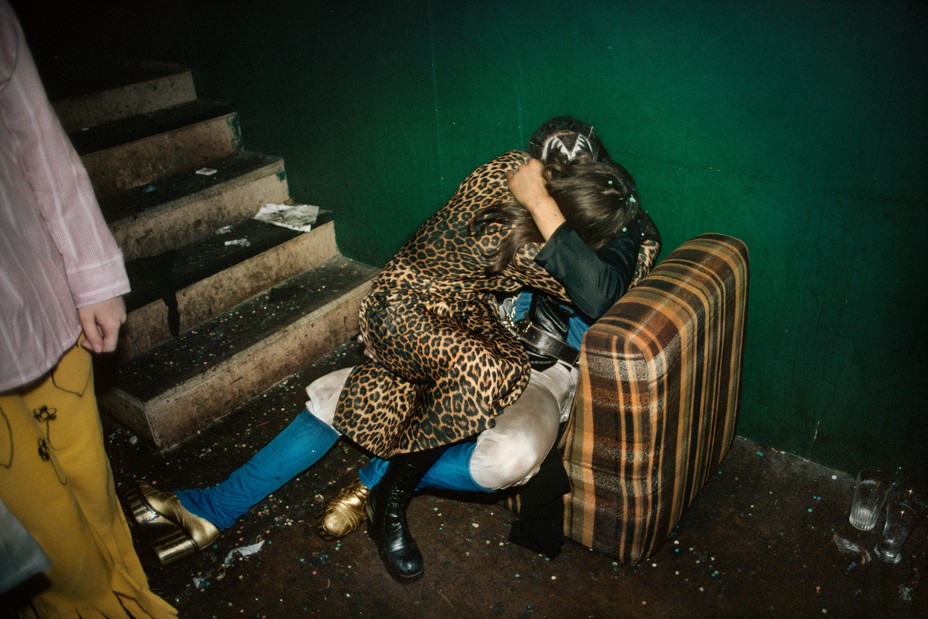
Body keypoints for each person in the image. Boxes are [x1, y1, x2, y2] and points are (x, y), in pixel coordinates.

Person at [131, 117, 658, 583]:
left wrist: (545, 209)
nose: (549, 183)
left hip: (542, 371)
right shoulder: (510, 192)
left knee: (509, 457)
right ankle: (212, 508)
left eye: (561, 177)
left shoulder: (620, 220)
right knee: (344, 398)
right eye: (544, 175)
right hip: (472, 338)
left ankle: (376, 482)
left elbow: (599, 294)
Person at [0, 2, 177, 616]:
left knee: (92, 488)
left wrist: (93, 275)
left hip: (39, 290)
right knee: (45, 539)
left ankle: (132, 597)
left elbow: (36, 138)